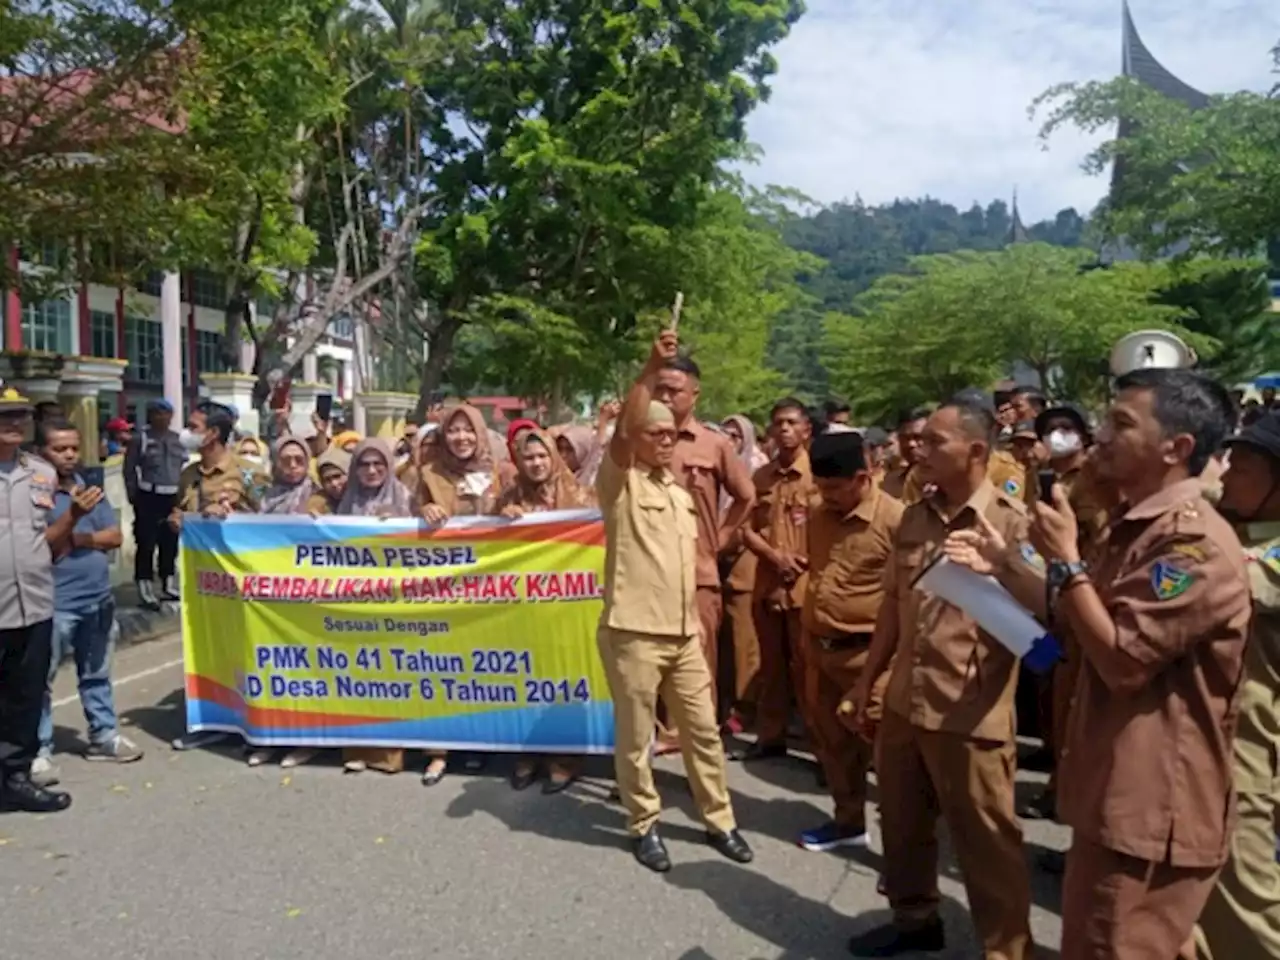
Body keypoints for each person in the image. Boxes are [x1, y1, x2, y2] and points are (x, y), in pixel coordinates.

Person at [1025, 369, 1249, 960]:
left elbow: (1122, 660)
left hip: (1151, 814)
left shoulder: (1190, 545)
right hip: (1114, 796)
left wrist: (1067, 561)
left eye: (1122, 423)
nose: (1099, 434)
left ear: (1175, 448)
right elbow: (1078, 625)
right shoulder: (1135, 529)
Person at [844, 392, 1043, 959]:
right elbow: (891, 607)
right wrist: (867, 684)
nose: (919, 448)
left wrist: (1005, 567)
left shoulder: (1011, 525)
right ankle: (915, 921)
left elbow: (1045, 622)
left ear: (975, 450)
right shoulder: (914, 516)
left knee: (987, 847)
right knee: (903, 826)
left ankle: (1006, 951)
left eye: (935, 441)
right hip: (906, 702)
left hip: (971, 712)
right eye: (919, 439)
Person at [596, 328, 752, 873]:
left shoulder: (680, 493)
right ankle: (645, 824)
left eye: (670, 434)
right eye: (654, 432)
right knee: (637, 738)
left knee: (704, 731)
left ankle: (720, 820)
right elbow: (621, 431)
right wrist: (647, 365)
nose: (666, 440)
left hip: (683, 633)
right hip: (634, 632)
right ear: (636, 437)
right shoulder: (619, 483)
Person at [1193, 411, 1280, 960]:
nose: (1225, 477)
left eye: (1243, 468)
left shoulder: (1263, 554)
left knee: (1249, 907)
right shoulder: (1232, 530)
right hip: (1204, 746)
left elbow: (1210, 583)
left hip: (1247, 751)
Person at [797, 430, 903, 853]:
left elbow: (909, 597)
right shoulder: (818, 514)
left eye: (835, 488)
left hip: (873, 660)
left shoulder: (896, 520)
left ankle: (901, 855)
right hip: (822, 653)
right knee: (834, 747)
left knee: (890, 761)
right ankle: (848, 823)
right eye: (820, 487)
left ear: (864, 477)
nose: (826, 496)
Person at [32, 420, 142, 787]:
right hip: (54, 601)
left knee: (96, 673)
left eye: (74, 449)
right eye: (59, 449)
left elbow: (113, 537)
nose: (68, 456)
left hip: (97, 597)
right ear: (39, 453)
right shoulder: (36, 496)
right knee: (39, 680)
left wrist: (78, 538)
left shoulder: (88, 489)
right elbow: (42, 545)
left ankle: (103, 735)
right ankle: (39, 749)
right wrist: (72, 519)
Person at [0, 387, 91, 813]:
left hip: (34, 605)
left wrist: (73, 516)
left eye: (19, 416)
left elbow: (49, 545)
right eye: (4, 416)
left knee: (25, 697)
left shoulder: (42, 474)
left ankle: (14, 778)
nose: (13, 423)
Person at [654, 355, 754, 728]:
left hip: (698, 574)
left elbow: (746, 496)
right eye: (659, 389)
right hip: (649, 576)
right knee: (651, 670)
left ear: (694, 394)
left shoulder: (714, 445)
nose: (665, 397)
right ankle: (660, 746)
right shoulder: (642, 443)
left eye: (674, 390)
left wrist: (721, 538)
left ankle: (697, 752)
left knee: (697, 668)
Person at [496, 426, 594, 793]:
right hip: (520, 607)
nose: (536, 463)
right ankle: (526, 754)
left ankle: (564, 759)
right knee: (525, 680)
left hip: (567, 607)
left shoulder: (581, 496)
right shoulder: (507, 496)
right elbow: (485, 545)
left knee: (563, 683)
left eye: (542, 456)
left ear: (553, 457)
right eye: (528, 457)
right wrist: (501, 519)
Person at [168, 403, 270, 752]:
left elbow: (269, 522)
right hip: (201, 583)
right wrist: (179, 520)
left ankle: (252, 718)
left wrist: (233, 512)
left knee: (242, 648)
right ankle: (212, 719)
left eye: (193, 425)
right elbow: (180, 512)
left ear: (212, 433)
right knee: (206, 647)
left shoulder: (247, 474)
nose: (187, 431)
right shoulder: (188, 474)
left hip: (241, 583)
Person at [417, 404, 500, 784]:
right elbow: (402, 518)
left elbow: (517, 508)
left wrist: (511, 510)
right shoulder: (428, 474)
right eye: (454, 430)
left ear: (480, 433)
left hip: (490, 590)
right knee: (443, 669)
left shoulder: (501, 472)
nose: (461, 437)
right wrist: (425, 509)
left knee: (484, 666)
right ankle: (438, 750)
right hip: (441, 589)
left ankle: (481, 745)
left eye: (469, 430)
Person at [737, 398, 814, 762]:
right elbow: (746, 529)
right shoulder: (760, 478)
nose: (784, 429)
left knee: (808, 669)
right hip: (767, 582)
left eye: (791, 423)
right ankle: (770, 737)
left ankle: (822, 748)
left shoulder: (818, 476)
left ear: (806, 430)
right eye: (778, 423)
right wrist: (773, 556)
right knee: (770, 666)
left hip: (805, 585)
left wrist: (802, 560)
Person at [334, 437, 416, 776]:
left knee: (392, 677)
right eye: (364, 465)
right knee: (358, 678)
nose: (371, 470)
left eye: (378, 464)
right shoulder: (345, 504)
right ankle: (356, 749)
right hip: (355, 606)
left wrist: (398, 521)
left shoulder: (405, 499)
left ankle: (390, 755)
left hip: (396, 605)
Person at [245, 437, 320, 770]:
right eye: (285, 460)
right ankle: (272, 739)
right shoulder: (266, 497)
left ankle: (305, 742)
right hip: (270, 600)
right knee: (274, 670)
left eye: (299, 460)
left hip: (310, 602)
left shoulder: (317, 497)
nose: (292, 467)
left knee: (307, 672)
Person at [718, 414, 768, 733]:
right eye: (726, 434)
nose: (730, 440)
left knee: (742, 641)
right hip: (712, 564)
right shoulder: (714, 468)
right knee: (718, 642)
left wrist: (721, 539)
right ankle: (721, 704)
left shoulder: (754, 472)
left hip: (741, 565)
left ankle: (745, 708)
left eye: (737, 436)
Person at [124, 397, 185, 609]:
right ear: (150, 415)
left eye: (166, 413)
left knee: (170, 541)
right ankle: (145, 585)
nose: (162, 417)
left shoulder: (177, 440)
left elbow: (183, 469)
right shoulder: (140, 439)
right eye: (156, 413)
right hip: (149, 494)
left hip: (172, 496)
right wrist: (133, 496)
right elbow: (130, 469)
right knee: (146, 542)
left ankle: (168, 582)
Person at [879, 408, 928, 502]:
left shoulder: (946, 483)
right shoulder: (889, 482)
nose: (910, 444)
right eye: (904, 438)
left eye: (917, 437)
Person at [307, 446, 351, 515]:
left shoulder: (363, 499)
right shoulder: (318, 503)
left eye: (337, 476)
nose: (334, 484)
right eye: (327, 480)